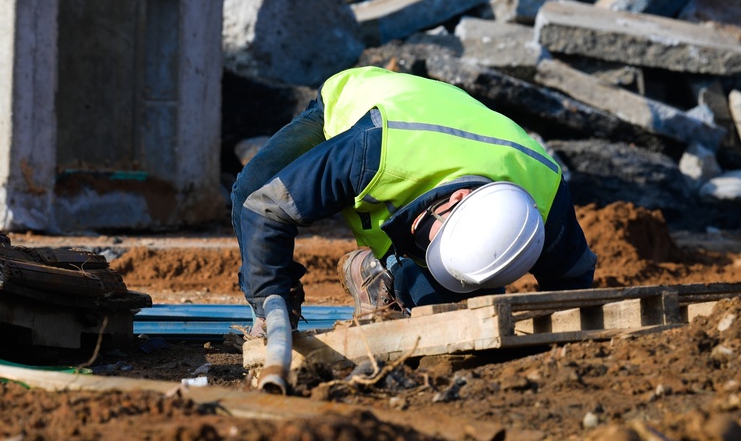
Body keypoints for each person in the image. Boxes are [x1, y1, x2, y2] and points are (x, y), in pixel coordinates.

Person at [231, 66, 596, 332]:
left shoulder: (545, 195)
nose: (426, 249)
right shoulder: (373, 151)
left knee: (445, 312)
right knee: (255, 188)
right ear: (457, 199)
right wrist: (271, 301)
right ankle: (266, 316)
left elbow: (572, 280)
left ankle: (377, 275)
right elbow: (267, 208)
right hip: (360, 110)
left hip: (450, 121)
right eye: (433, 243)